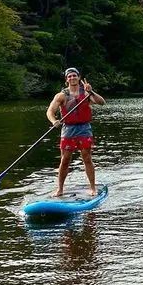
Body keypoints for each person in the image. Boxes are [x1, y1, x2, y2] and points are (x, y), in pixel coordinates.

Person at [46, 68, 105, 196]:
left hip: (84, 128)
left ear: (79, 77)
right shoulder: (61, 95)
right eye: (69, 76)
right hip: (68, 129)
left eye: (74, 76)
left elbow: (102, 102)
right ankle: (60, 189)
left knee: (86, 157)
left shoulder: (87, 93)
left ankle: (93, 188)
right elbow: (50, 111)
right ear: (66, 79)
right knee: (65, 159)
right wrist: (53, 121)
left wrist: (91, 91)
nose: (72, 78)